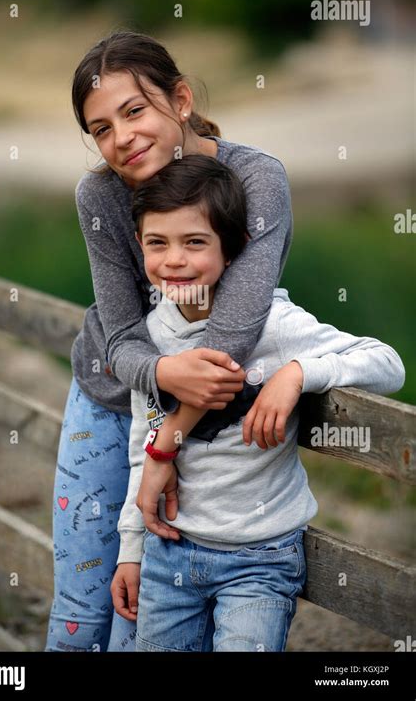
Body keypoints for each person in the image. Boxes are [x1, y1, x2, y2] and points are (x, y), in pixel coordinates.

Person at [45, 30, 294, 652]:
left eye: (134, 111)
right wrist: (161, 386)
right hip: (109, 401)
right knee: (83, 601)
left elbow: (233, 336)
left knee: (154, 613)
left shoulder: (254, 179)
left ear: (180, 99)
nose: (121, 137)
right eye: (100, 128)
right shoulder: (99, 194)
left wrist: (167, 441)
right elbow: (121, 336)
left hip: (206, 412)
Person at [111, 154, 405, 653]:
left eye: (195, 242)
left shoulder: (274, 324)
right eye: (158, 243)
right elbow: (147, 440)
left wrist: (299, 373)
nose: (175, 259)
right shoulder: (153, 337)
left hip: (260, 559)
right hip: (170, 552)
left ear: (235, 249)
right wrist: (131, 548)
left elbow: (388, 363)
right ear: (139, 245)